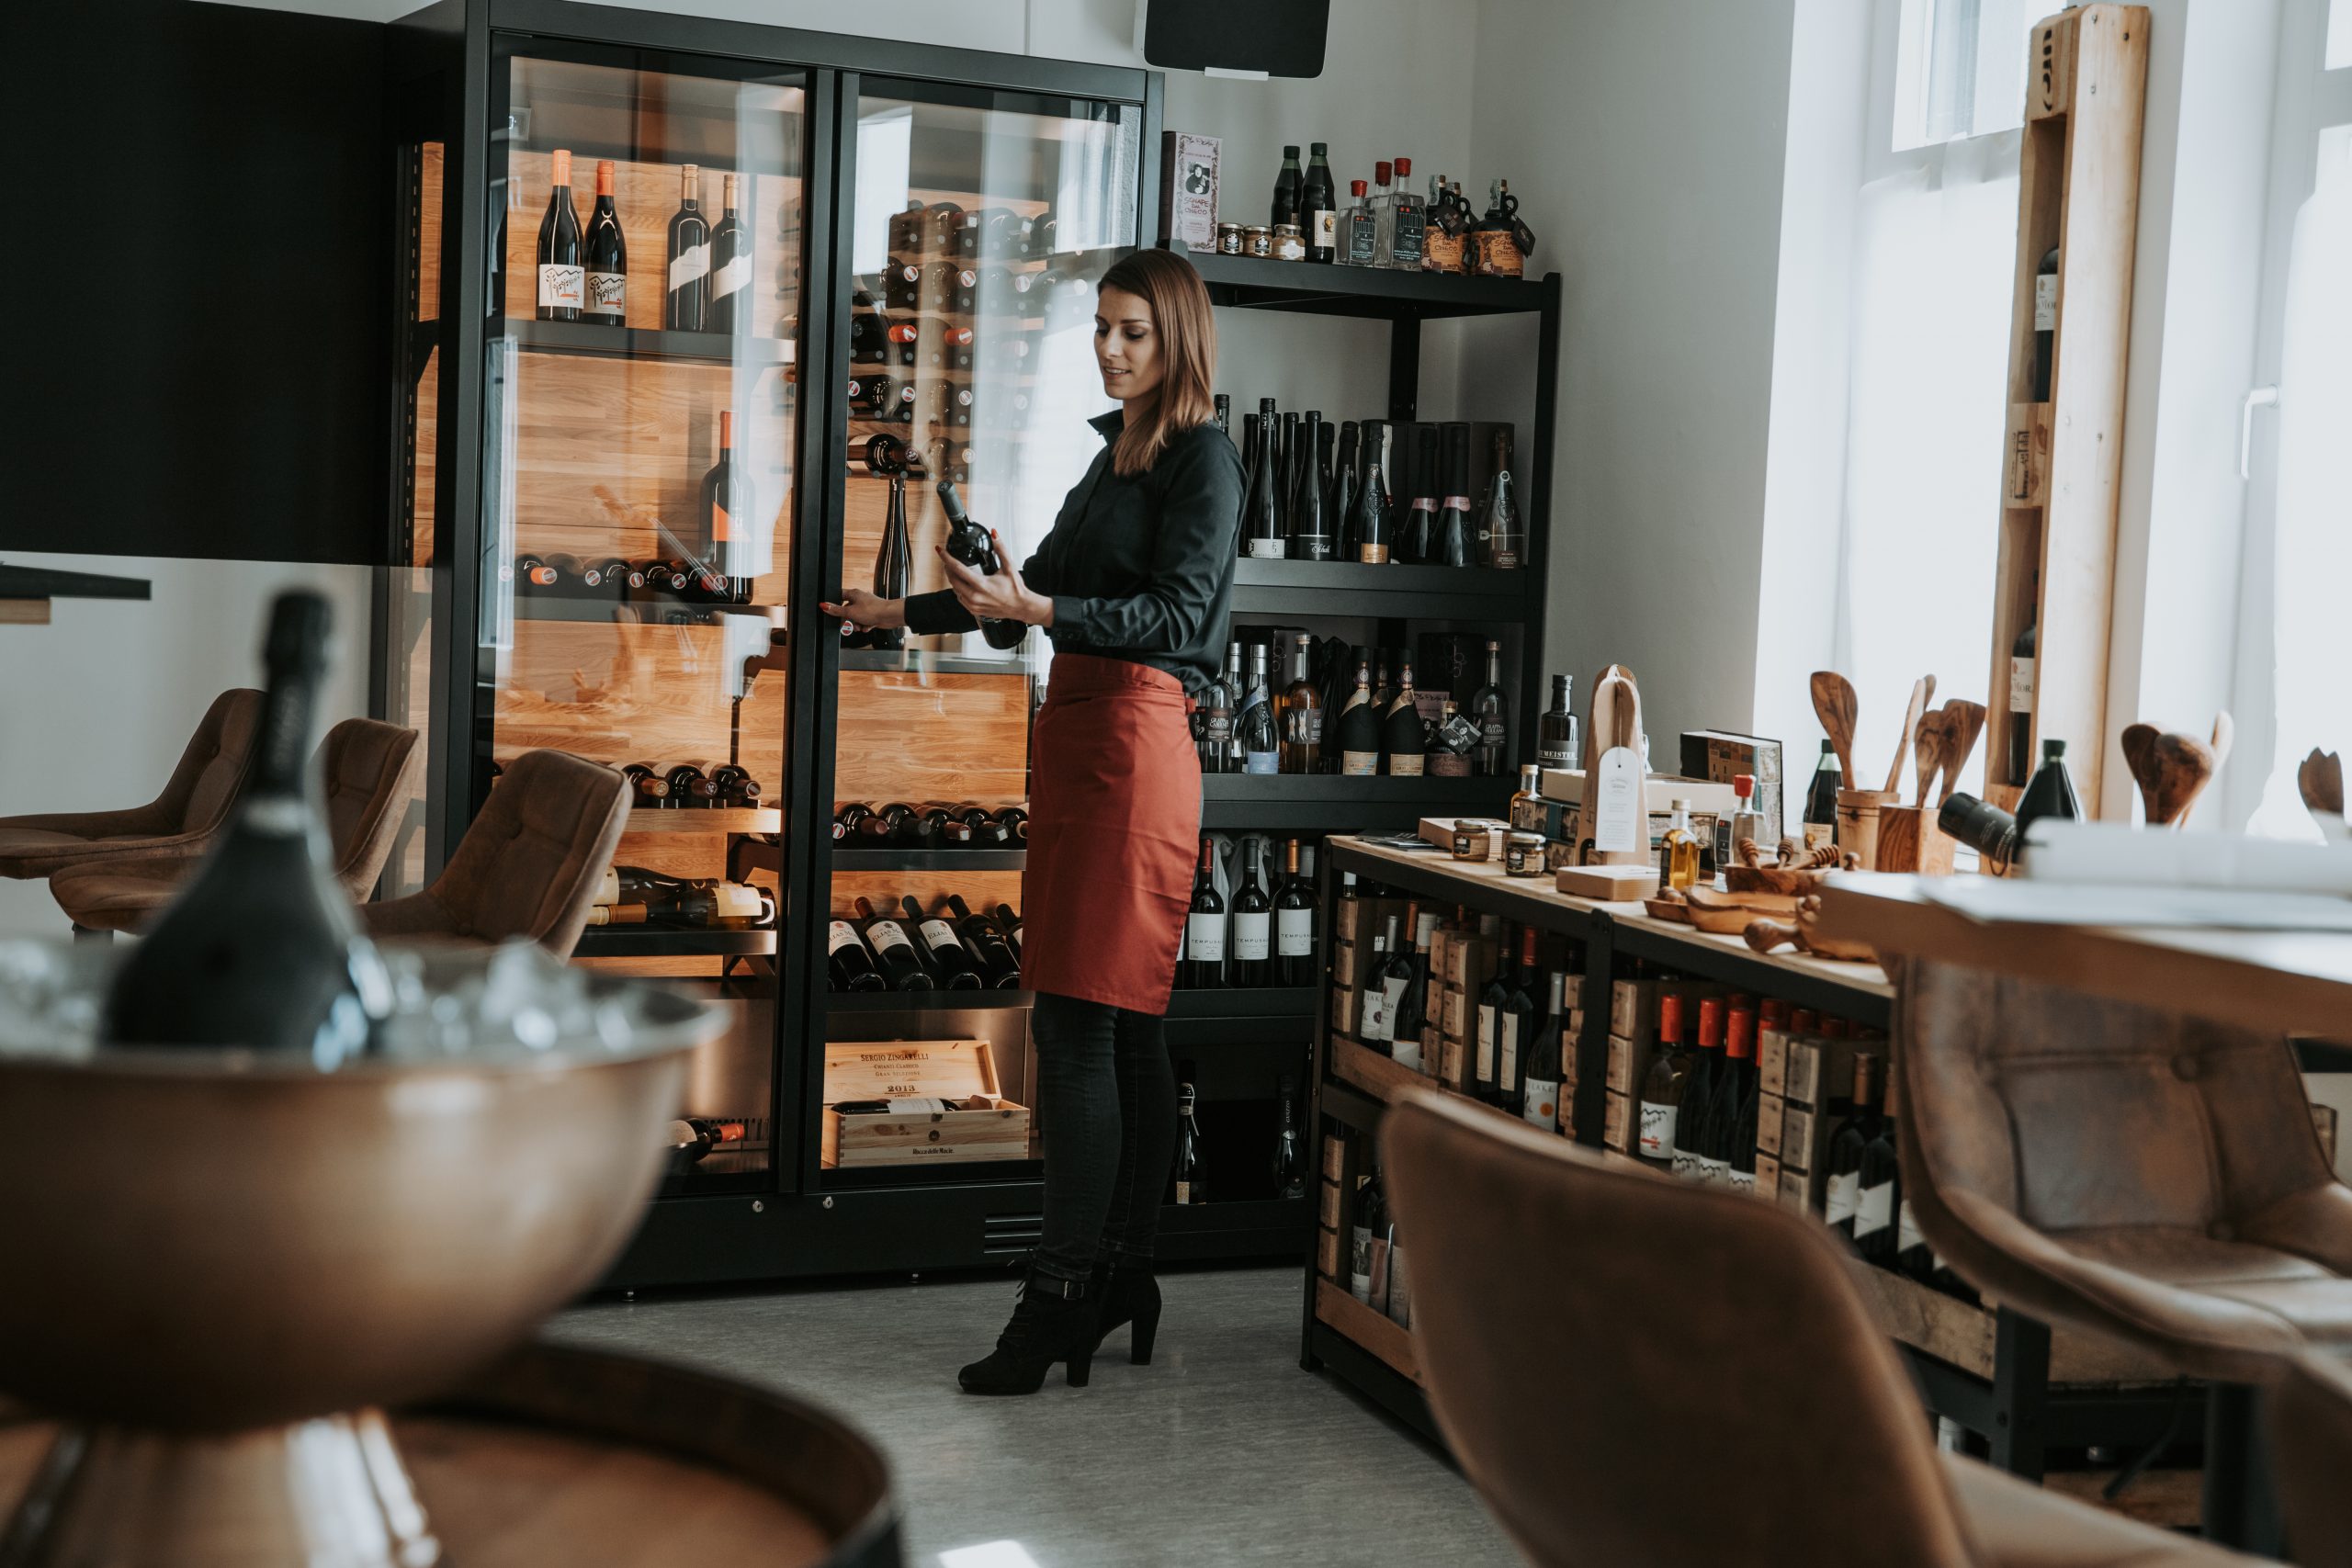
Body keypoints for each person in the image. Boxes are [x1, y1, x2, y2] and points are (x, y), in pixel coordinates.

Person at [821, 249, 1242, 1394]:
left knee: (1073, 1024)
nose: (1111, 350)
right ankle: (1122, 1272)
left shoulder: (1205, 458)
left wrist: (1038, 602)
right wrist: (903, 606)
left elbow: (1178, 616)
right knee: (1128, 1027)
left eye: (1133, 334)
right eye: (1102, 329)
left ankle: (1060, 1293)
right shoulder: (1114, 456)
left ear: (1179, 343)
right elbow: (1024, 603)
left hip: (1137, 745)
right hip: (1081, 743)